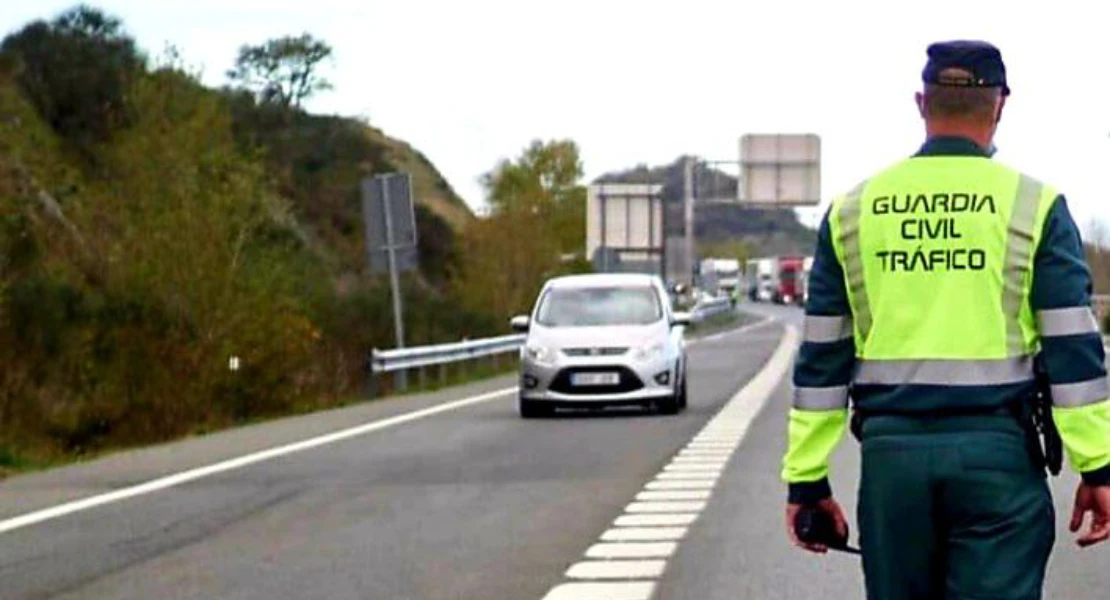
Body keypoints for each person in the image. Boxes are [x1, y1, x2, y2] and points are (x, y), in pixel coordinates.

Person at [780, 40, 1110, 599]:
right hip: (997, 459)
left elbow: (822, 361)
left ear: (920, 104)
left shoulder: (853, 210)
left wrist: (806, 475)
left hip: (891, 464)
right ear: (1000, 104)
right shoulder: (1034, 205)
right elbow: (1073, 354)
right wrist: (1098, 466)